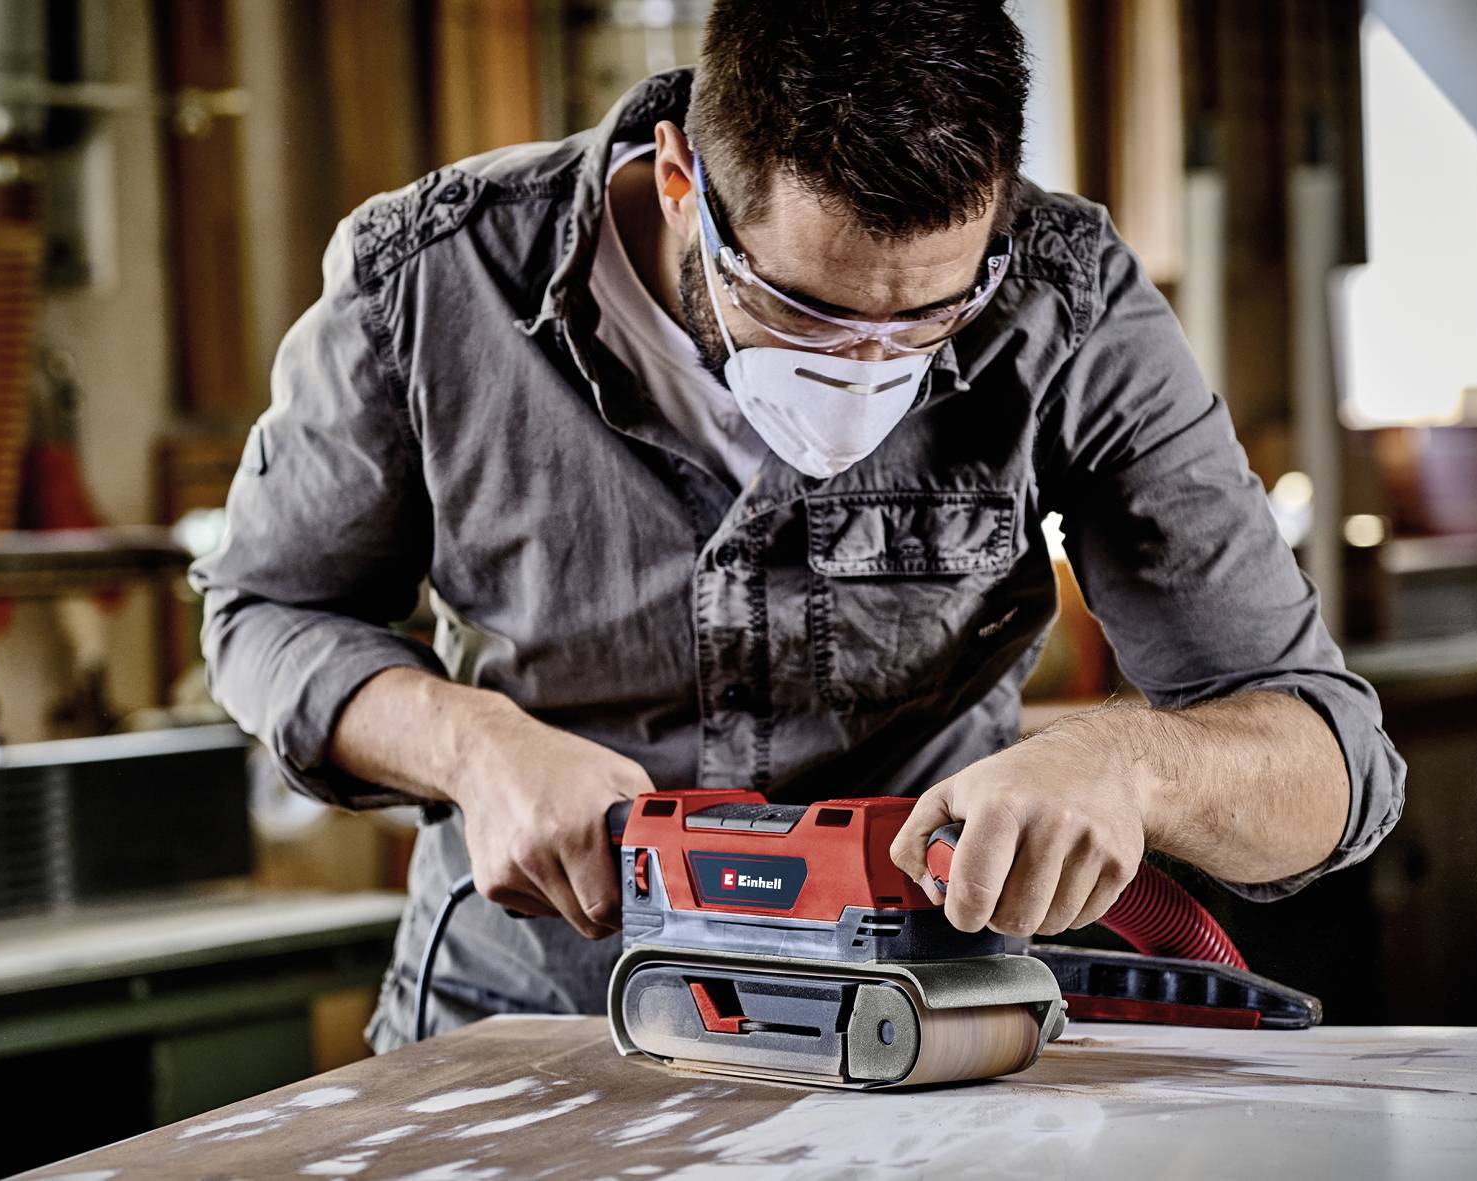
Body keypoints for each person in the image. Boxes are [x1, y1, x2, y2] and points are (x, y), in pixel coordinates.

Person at [191, 0, 1404, 1052]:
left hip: (925, 1018)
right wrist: (470, 745)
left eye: (930, 316)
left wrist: (1130, 766)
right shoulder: (428, 279)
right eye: (808, 317)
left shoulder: (1064, 297)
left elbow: (1327, 758)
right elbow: (265, 612)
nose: (868, 373)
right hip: (534, 1017)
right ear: (681, 182)